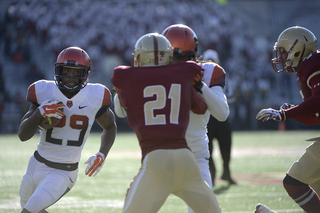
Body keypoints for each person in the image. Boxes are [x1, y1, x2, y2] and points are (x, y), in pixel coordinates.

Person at [112, 33, 221, 213]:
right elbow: (201, 108)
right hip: (186, 159)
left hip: (156, 159)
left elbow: (120, 110)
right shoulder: (183, 74)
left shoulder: (128, 78)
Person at [18, 46, 117, 213]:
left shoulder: (96, 96)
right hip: (35, 164)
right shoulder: (44, 91)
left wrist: (102, 154)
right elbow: (23, 135)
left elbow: (110, 126)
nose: (70, 77)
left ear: (84, 74)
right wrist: (40, 113)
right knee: (31, 208)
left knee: (29, 211)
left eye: (75, 72)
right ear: (58, 70)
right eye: (66, 70)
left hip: (63, 171)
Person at [161, 24, 229, 212]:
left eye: (181, 58)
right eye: (172, 58)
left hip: (196, 156)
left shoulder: (208, 73)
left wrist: (200, 87)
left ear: (193, 55)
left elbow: (222, 114)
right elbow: (121, 111)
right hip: (161, 156)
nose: (176, 64)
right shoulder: (154, 73)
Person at [255, 26, 320, 213]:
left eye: (283, 52)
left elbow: (318, 101)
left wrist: (285, 114)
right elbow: (316, 117)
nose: (281, 57)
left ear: (297, 48)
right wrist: (292, 112)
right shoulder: (308, 66)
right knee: (310, 181)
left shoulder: (314, 63)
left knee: (294, 182)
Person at [203, 49, 236, 186]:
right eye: (208, 61)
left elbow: (232, 95)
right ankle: (212, 173)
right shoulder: (199, 75)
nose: (210, 64)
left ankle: (226, 172)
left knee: (226, 147)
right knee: (207, 149)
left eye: (213, 61)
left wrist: (218, 100)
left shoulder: (222, 76)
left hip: (221, 119)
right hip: (207, 119)